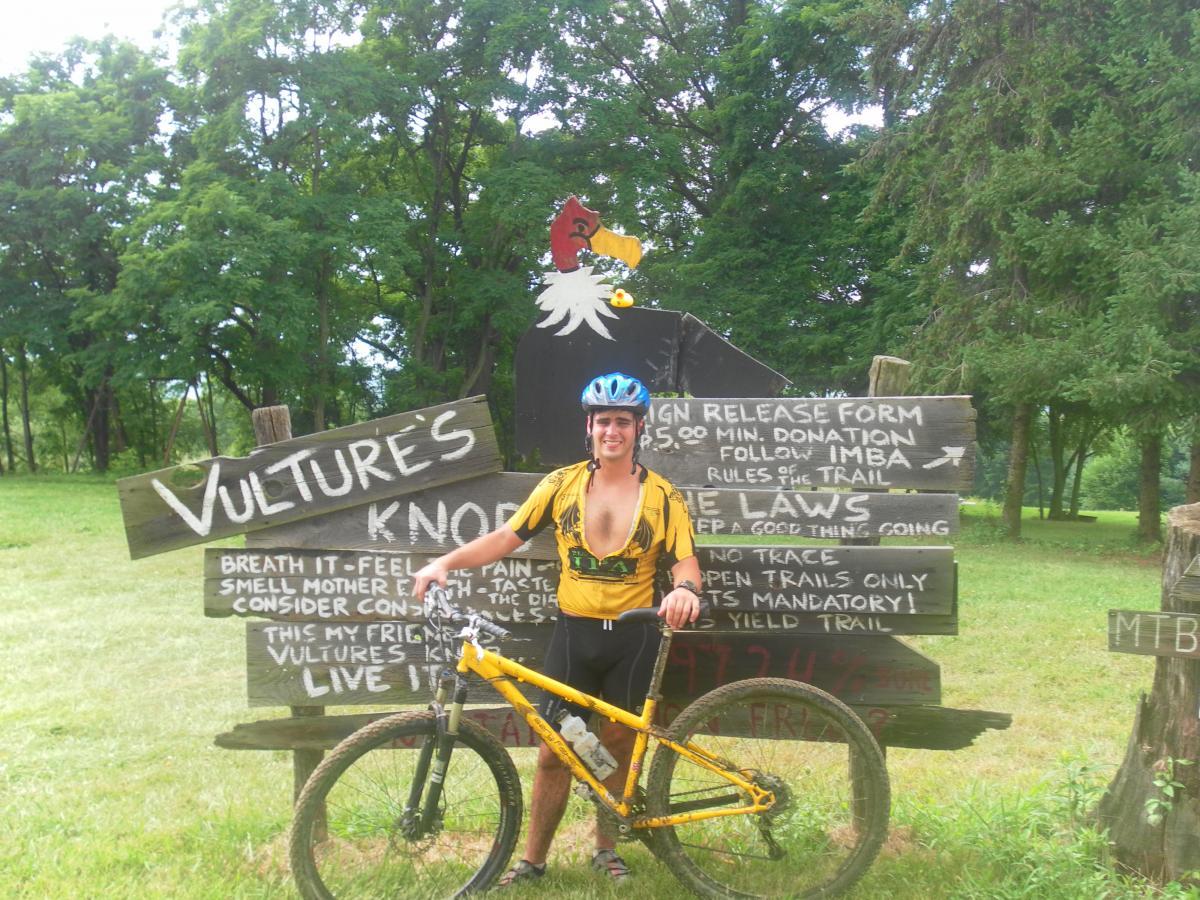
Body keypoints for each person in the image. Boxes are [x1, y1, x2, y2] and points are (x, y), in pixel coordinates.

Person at [412, 371, 702, 885]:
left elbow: (684, 562)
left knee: (613, 748)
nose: (613, 431)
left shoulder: (665, 497)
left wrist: (686, 591)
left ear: (639, 429)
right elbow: (507, 536)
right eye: (604, 421)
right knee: (553, 753)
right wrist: (445, 564)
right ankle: (533, 861)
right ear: (588, 427)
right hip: (575, 634)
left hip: (634, 638)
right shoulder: (560, 484)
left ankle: (606, 849)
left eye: (624, 422)